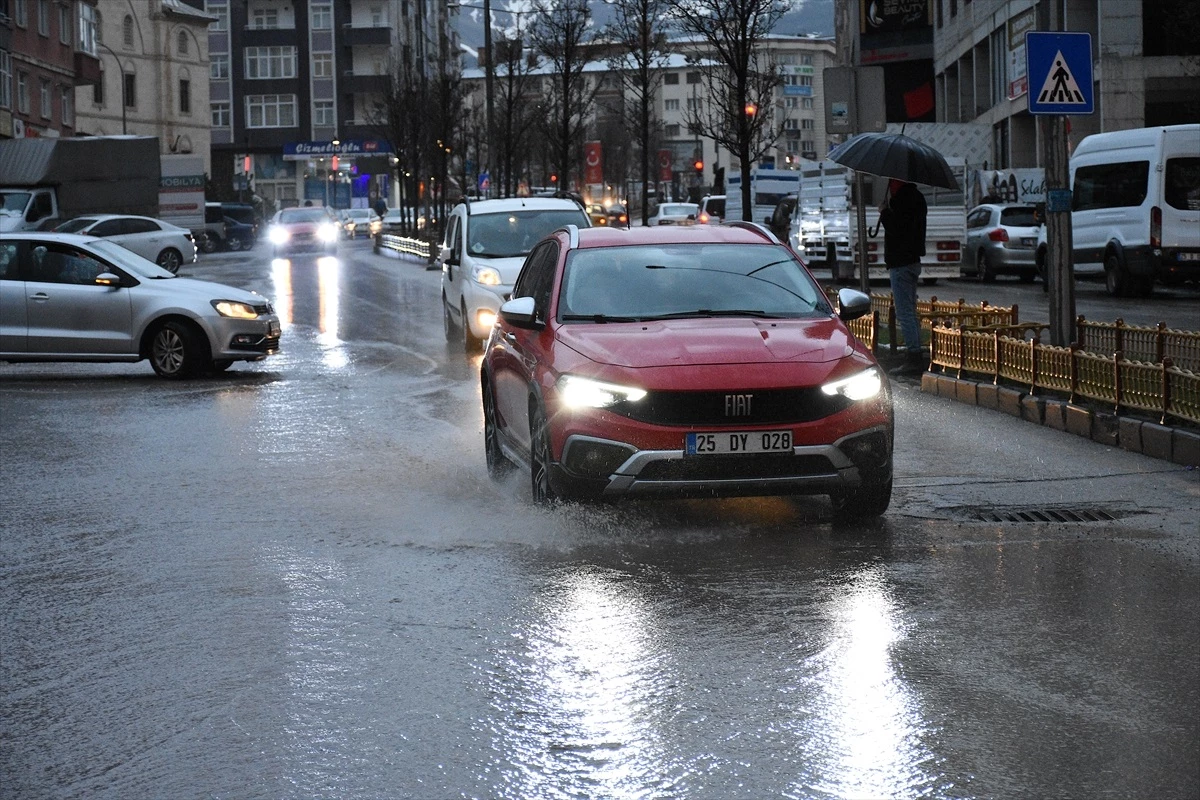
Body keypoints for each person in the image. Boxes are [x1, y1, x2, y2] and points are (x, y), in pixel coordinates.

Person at [878, 178, 927, 371]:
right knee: (910, 310)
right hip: (912, 260)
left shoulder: (902, 201)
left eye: (892, 183)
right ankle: (915, 354)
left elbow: (897, 229)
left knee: (904, 312)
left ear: (897, 183)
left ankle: (913, 356)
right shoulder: (918, 198)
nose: (890, 186)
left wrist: (884, 212)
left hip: (901, 262)